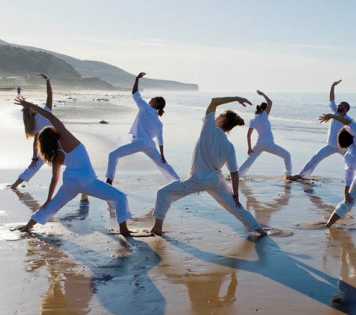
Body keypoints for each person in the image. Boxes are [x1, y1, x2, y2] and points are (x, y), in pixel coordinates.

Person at [12, 97, 133, 235]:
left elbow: (54, 179)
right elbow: (50, 116)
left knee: (52, 206)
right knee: (120, 197)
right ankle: (124, 229)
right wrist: (28, 104)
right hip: (88, 181)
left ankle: (28, 226)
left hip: (70, 182)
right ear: (54, 133)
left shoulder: (54, 154)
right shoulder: (67, 139)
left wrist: (48, 199)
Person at [150, 96, 266, 237]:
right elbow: (234, 173)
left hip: (199, 179)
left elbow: (213, 101)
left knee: (163, 193)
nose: (216, 116)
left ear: (222, 120)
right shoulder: (229, 145)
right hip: (216, 180)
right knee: (235, 207)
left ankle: (157, 228)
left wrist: (236, 98)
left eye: (219, 115)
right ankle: (259, 230)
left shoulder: (209, 128)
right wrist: (235, 195)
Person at [105, 72, 180, 185]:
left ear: (156, 103)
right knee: (163, 164)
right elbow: (160, 140)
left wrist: (137, 79)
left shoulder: (145, 107)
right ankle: (179, 182)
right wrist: (162, 155)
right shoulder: (159, 123)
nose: (151, 98)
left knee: (113, 155)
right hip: (150, 145)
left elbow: (135, 93)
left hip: (139, 142)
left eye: (153, 98)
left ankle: (109, 181)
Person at [292, 80, 351, 180]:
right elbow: (331, 99)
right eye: (339, 104)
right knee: (315, 158)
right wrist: (332, 86)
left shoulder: (348, 119)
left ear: (346, 109)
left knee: (352, 161)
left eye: (342, 105)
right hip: (330, 145)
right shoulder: (335, 112)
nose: (339, 106)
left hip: (342, 147)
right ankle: (301, 175)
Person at [237, 90, 293, 179]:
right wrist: (263, 94)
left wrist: (249, 148)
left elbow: (248, 135)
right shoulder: (264, 115)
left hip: (259, 144)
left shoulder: (253, 120)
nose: (268, 109)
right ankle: (288, 175)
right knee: (286, 155)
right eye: (266, 108)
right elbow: (270, 102)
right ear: (263, 109)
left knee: (249, 161)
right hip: (269, 144)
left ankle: (237, 175)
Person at [10, 74, 53, 189]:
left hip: (46, 148)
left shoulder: (33, 123)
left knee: (33, 168)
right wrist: (47, 80)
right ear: (32, 110)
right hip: (58, 144)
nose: (35, 105)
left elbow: (36, 142)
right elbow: (49, 95)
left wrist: (34, 158)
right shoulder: (46, 112)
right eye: (33, 105)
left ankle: (14, 185)